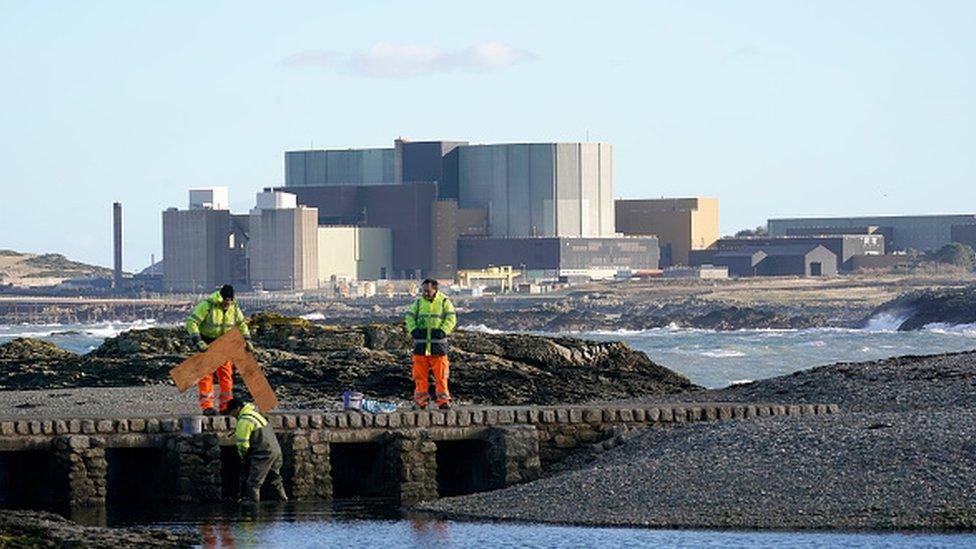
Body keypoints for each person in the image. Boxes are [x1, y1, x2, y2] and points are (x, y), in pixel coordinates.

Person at [186, 284, 254, 416]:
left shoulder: (234, 308)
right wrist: (198, 341)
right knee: (205, 375)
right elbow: (191, 322)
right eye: (226, 300)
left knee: (226, 375)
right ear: (221, 297)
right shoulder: (208, 305)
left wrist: (247, 340)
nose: (227, 303)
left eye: (230, 300)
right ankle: (207, 407)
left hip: (224, 344)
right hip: (207, 342)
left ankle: (226, 406)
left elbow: (241, 324)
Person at [404, 278, 457, 410]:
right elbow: (409, 317)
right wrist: (413, 329)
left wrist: (443, 331)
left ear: (435, 289)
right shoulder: (418, 302)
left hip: (438, 346)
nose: (425, 293)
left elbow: (451, 318)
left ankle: (443, 401)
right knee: (419, 376)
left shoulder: (444, 301)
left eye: (427, 291)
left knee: (441, 376)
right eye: (423, 291)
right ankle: (420, 402)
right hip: (421, 346)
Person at [225, 398, 287, 503]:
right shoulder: (255, 415)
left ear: (237, 409)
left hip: (263, 453)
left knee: (253, 482)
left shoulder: (244, 420)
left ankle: (253, 507)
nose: (232, 416)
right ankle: (283, 500)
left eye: (231, 412)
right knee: (275, 479)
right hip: (276, 451)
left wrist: (243, 456)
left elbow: (243, 444)